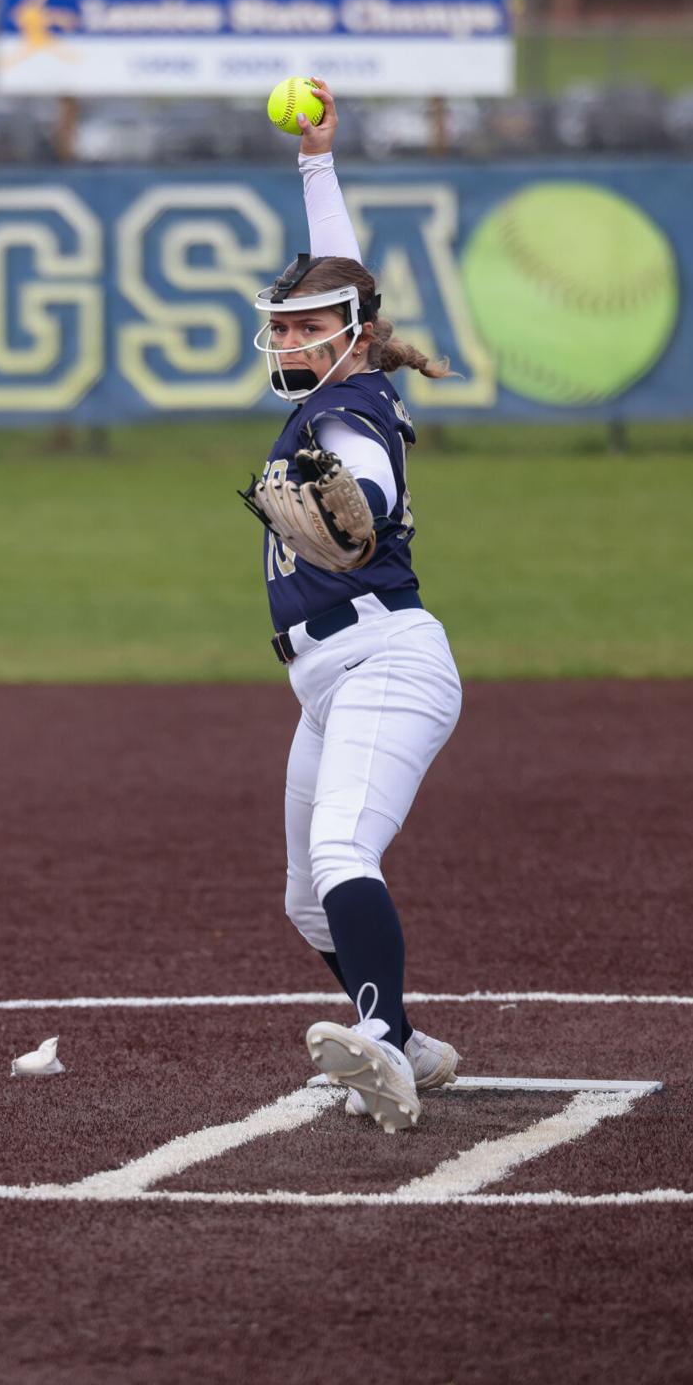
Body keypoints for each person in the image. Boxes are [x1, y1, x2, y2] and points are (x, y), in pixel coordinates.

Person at [240, 79, 463, 1133]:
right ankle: (412, 1035)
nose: (286, 338)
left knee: (342, 857)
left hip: (388, 659)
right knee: (301, 894)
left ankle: (379, 1039)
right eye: (280, 324)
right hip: (327, 678)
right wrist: (316, 161)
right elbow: (348, 272)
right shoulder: (343, 381)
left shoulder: (350, 409)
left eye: (303, 325)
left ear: (348, 334)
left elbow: (367, 487)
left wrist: (357, 508)